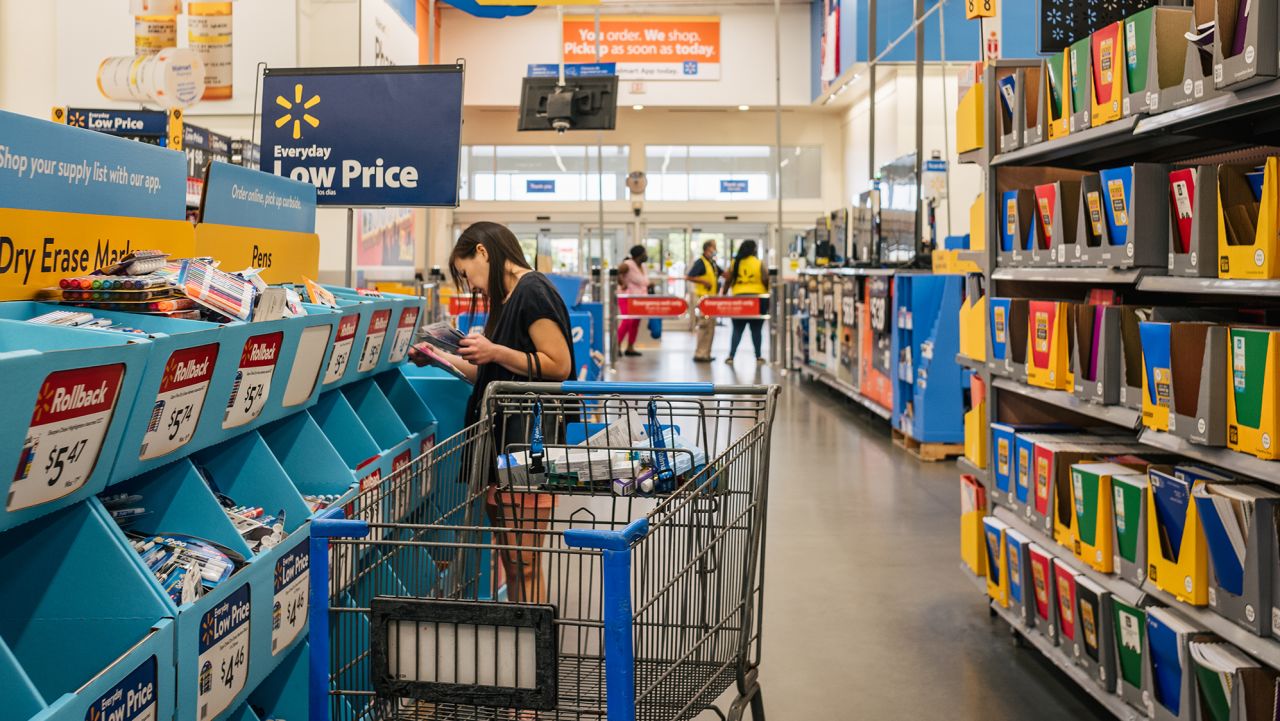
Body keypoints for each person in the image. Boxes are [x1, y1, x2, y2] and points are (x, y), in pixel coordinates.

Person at [412, 221, 574, 603]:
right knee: (513, 559)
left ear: (483, 252)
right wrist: (441, 358)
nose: (472, 287)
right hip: (503, 444)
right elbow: (490, 374)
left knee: (526, 561)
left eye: (467, 273)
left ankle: (536, 648)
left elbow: (559, 364)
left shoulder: (533, 291)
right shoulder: (506, 299)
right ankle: (523, 639)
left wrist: (494, 350)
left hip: (528, 444)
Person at [724, 239, 769, 365]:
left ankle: (731, 356)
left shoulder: (735, 263)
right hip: (757, 299)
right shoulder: (759, 263)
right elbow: (766, 279)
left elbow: (728, 280)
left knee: (737, 329)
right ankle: (758, 356)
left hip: (739, 299)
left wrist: (723, 294)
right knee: (756, 330)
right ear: (754, 250)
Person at [684, 239, 722, 362]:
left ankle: (706, 353)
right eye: (713, 247)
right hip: (704, 299)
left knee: (711, 327)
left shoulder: (712, 263)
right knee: (704, 325)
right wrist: (704, 281)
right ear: (707, 249)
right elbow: (689, 276)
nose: (715, 250)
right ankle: (700, 353)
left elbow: (724, 274)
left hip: (712, 299)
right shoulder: (700, 262)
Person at [616, 244, 649, 357]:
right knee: (627, 321)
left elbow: (643, 281)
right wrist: (622, 283)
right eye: (644, 253)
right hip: (627, 298)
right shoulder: (628, 264)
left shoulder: (643, 267)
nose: (646, 255)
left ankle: (630, 347)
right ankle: (616, 346)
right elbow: (616, 272)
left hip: (639, 299)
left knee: (635, 323)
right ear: (638, 255)